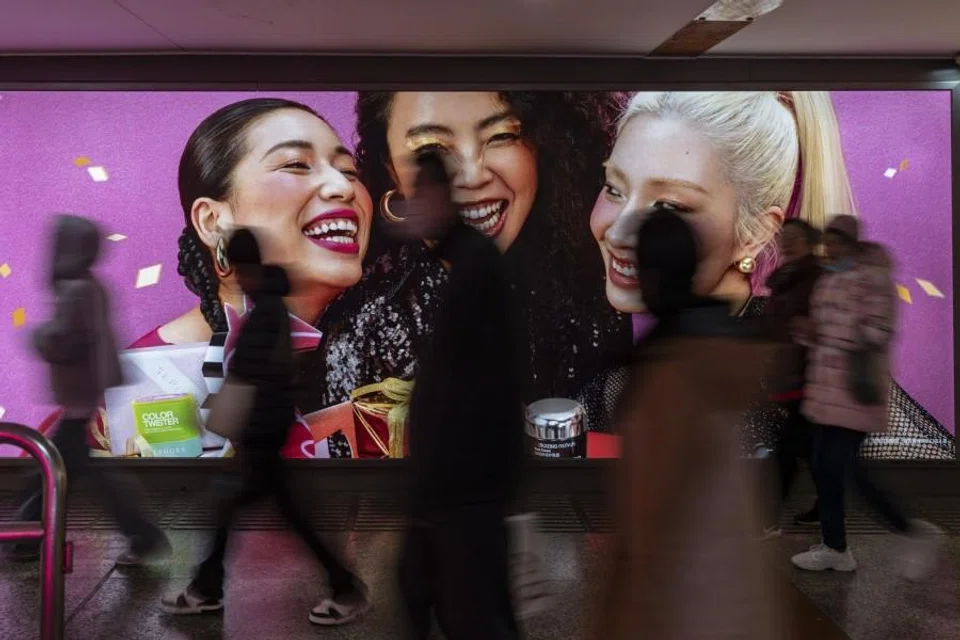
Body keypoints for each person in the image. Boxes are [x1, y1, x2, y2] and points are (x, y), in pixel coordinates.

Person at [585, 90, 954, 457]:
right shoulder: (615, 387)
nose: (616, 233)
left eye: (669, 205)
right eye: (613, 189)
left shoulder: (797, 376)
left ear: (755, 233)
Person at [32, 97, 374, 459]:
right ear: (213, 222)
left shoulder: (386, 357)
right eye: (295, 164)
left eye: (349, 170)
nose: (343, 186)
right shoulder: (120, 401)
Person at [298, 91, 633, 434]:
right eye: (431, 149)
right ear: (392, 170)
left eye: (502, 136)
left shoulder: (596, 276)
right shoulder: (368, 328)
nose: (473, 176)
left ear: (543, 143)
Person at [591, 207, 786, 639]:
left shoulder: (668, 376)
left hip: (680, 610)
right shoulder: (726, 355)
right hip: (739, 605)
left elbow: (644, 536)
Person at [161, 228, 369, 624]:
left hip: (261, 433)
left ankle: (344, 587)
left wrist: (227, 419)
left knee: (255, 511)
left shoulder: (264, 314)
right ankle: (209, 587)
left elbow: (251, 376)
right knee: (269, 511)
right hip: (265, 431)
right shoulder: (270, 306)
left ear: (241, 267)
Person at [396, 153, 525, 639]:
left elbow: (473, 383)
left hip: (465, 481)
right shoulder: (466, 259)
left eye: (419, 194)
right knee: (436, 592)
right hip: (458, 480)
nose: (412, 207)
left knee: (473, 609)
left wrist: (434, 479)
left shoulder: (474, 268)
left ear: (440, 196)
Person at [8, 215, 169, 564]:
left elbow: (63, 341)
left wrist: (37, 337)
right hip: (87, 389)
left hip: (77, 392)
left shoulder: (73, 290)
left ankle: (141, 536)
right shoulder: (92, 285)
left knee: (55, 467)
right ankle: (27, 537)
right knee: (63, 466)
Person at [790, 216, 942, 576]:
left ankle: (910, 530)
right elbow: (825, 332)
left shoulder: (873, 279)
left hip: (854, 393)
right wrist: (810, 333)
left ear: (853, 243)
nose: (831, 249)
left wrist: (832, 334)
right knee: (828, 469)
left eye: (838, 241)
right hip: (827, 392)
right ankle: (835, 547)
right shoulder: (830, 278)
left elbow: (878, 331)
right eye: (828, 242)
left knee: (845, 470)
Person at [760, 219, 823, 534]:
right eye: (784, 237)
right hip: (788, 373)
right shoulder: (784, 279)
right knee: (810, 449)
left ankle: (770, 518)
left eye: (795, 238)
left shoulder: (816, 278)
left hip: (809, 376)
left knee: (788, 448)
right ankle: (826, 507)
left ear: (811, 242)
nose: (787, 242)